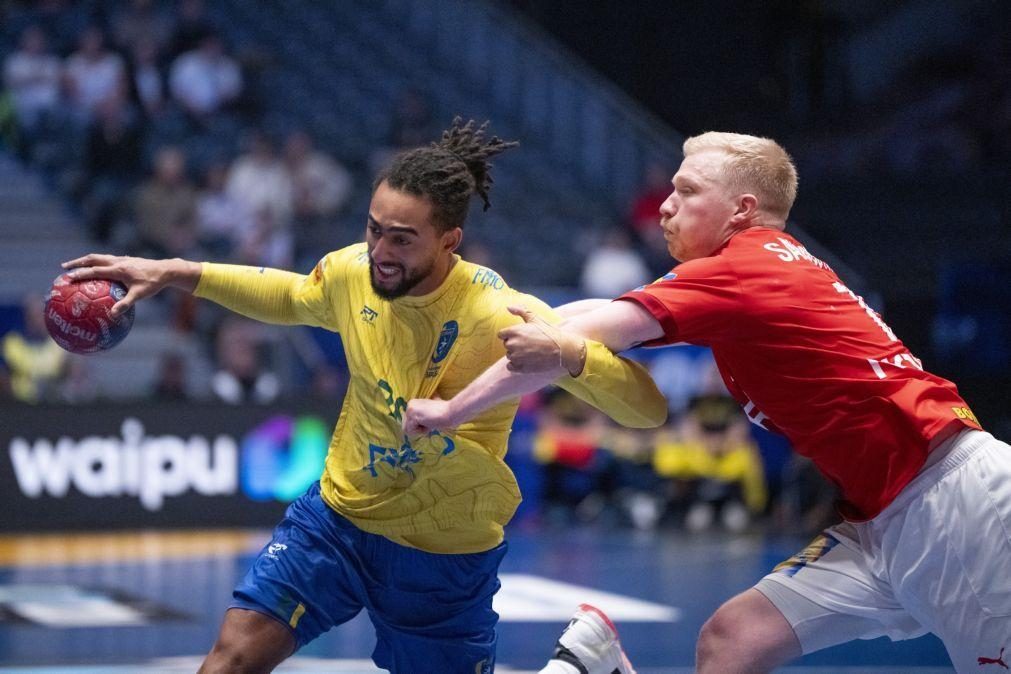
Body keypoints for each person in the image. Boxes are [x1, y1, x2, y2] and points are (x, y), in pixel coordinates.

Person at [61, 118, 667, 674]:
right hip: (338, 518)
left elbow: (648, 409)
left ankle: (579, 666)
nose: (380, 252)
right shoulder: (354, 273)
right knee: (230, 661)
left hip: (440, 550)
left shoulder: (500, 313)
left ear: (450, 240)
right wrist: (172, 272)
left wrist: (569, 354)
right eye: (374, 230)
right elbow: (289, 295)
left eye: (402, 240)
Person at [404, 131, 1006, 673]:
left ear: (742, 210)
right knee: (733, 640)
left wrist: (450, 407)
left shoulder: (746, 264)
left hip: (953, 505)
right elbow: (579, 322)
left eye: (688, 191)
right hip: (883, 520)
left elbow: (573, 336)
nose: (666, 205)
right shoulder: (751, 268)